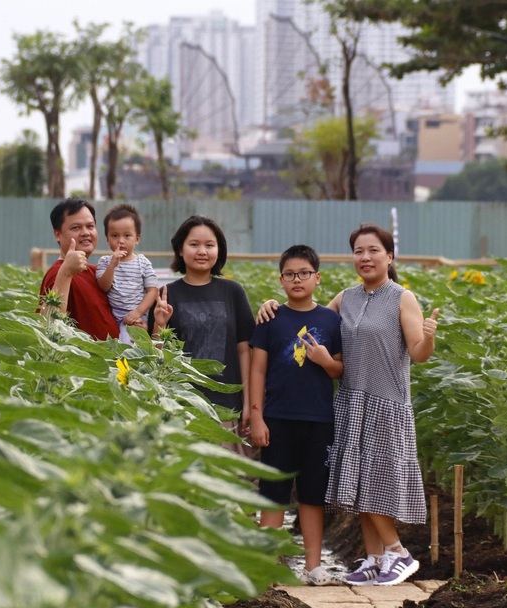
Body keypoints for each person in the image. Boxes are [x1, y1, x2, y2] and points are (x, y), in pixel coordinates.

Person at [258, 223, 439, 587]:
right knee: (357, 483)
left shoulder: (402, 297)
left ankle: (398, 553)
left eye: (374, 250)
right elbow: (310, 317)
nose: (366, 257)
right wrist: (272, 304)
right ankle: (374, 559)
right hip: (351, 401)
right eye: (359, 251)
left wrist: (430, 339)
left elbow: (418, 354)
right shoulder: (346, 298)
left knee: (374, 481)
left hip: (386, 401)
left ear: (389, 257)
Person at [248, 245, 343, 586]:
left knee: (312, 496)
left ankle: (314, 567)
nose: (297, 279)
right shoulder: (271, 319)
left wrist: (324, 361)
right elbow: (257, 372)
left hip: (319, 420)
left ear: (318, 277)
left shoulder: (331, 321)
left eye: (304, 273)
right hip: (277, 419)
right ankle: (265, 566)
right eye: (290, 274)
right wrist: (257, 418)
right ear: (281, 280)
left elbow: (338, 369)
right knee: (273, 492)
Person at [151, 215, 255, 439]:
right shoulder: (167, 294)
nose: (202, 251)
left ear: (219, 250)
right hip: (182, 406)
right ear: (180, 249)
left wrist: (248, 402)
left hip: (227, 406)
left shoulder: (233, 291)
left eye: (210, 245)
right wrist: (159, 324)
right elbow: (155, 355)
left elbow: (244, 350)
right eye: (194, 244)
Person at [38, 198, 118, 340]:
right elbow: (48, 326)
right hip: (85, 361)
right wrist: (66, 272)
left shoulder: (98, 273)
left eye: (90, 226)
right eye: (76, 228)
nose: (86, 232)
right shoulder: (58, 273)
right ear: (58, 234)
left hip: (117, 361)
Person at [96, 204, 159, 345]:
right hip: (112, 316)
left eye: (127, 235)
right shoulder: (105, 262)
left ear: (137, 238)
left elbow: (152, 291)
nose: (121, 241)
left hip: (134, 317)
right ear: (107, 238)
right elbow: (103, 287)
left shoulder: (143, 263)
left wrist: (137, 312)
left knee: (128, 347)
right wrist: (113, 264)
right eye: (114, 236)